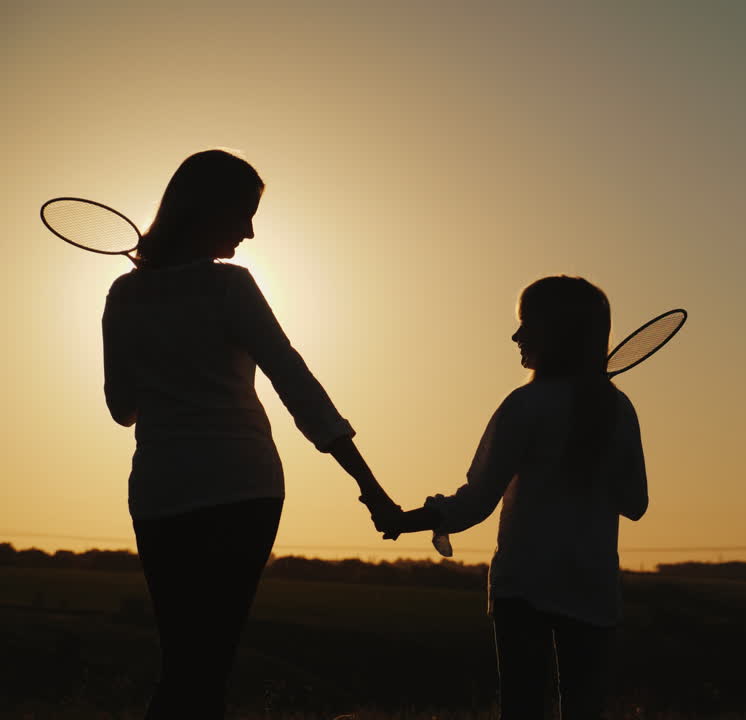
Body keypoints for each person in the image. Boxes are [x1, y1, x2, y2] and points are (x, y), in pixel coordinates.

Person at [101, 149, 399, 719]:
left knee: (184, 665)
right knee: (208, 667)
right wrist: (369, 485)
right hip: (243, 491)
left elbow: (122, 409)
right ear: (208, 210)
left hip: (161, 495)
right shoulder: (231, 287)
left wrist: (156, 346)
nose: (251, 231)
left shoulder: (122, 295)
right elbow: (296, 383)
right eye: (244, 213)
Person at [383, 276, 648, 719]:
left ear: (557, 332)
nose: (516, 335)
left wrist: (403, 520)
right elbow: (635, 504)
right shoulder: (617, 410)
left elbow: (475, 501)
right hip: (592, 588)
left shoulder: (526, 405)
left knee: (521, 709)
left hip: (523, 589)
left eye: (527, 324)